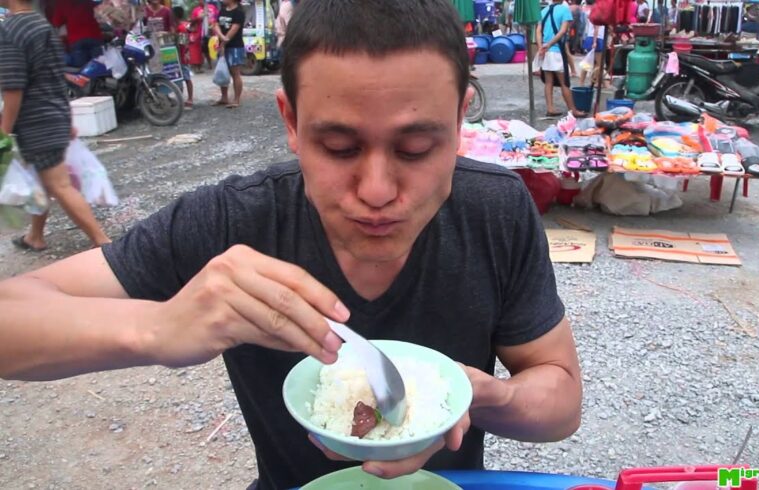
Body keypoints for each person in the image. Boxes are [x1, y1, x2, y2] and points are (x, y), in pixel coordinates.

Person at [0, 1, 582, 488]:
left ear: (459, 123)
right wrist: (159, 328)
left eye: (415, 148)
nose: (377, 192)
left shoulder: (496, 210)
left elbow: (561, 401)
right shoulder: (233, 221)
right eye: (338, 146)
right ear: (291, 123)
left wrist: (477, 397)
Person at [0, 0, 111, 251]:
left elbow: (13, 87)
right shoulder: (42, 25)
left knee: (59, 184)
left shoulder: (11, 29)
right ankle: (35, 236)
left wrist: (3, 132)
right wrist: (67, 116)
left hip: (37, 121)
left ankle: (103, 243)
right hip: (54, 113)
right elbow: (56, 75)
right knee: (42, 180)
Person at [537, 0, 586, 117]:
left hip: (546, 51)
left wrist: (541, 47)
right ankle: (573, 110)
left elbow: (538, 31)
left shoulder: (543, 11)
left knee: (548, 82)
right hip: (556, 51)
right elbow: (563, 30)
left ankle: (550, 108)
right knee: (564, 83)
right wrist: (550, 44)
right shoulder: (564, 10)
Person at [50, 0, 104, 67]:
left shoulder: (61, 2)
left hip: (76, 39)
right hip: (94, 35)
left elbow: (56, 22)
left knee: (81, 69)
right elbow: (98, 7)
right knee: (100, 66)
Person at [213, 0, 245, 108]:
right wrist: (222, 38)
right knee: (223, 70)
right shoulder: (222, 10)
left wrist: (224, 42)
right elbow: (216, 24)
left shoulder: (239, 12)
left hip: (235, 46)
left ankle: (236, 99)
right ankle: (224, 97)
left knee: (235, 72)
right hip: (222, 45)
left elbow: (234, 29)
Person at [579, 0, 605, 87]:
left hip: (592, 37)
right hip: (597, 38)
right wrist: (594, 42)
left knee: (589, 61)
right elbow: (596, 28)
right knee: (598, 63)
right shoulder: (598, 13)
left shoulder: (592, 12)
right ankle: (597, 81)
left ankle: (585, 81)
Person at [173, 6, 194, 108]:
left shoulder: (181, 28)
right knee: (180, 78)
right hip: (179, 56)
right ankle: (181, 98)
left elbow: (184, 43)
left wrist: (185, 55)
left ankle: (190, 98)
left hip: (182, 57)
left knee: (186, 78)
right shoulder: (178, 27)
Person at [191, 0, 218, 71]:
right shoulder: (196, 10)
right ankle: (208, 63)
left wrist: (213, 24)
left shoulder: (212, 7)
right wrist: (198, 17)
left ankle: (215, 62)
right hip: (201, 33)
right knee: (205, 49)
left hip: (212, 32)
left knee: (213, 47)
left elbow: (217, 17)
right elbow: (192, 21)